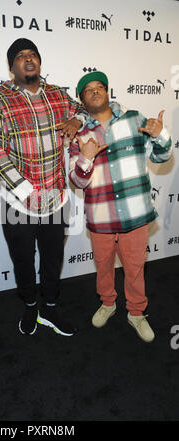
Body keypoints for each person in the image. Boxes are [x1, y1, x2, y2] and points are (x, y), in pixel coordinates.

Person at [0, 38, 86, 336]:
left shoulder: (58, 94)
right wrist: (25, 190)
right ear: (11, 65)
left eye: (33, 55)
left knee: (53, 259)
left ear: (39, 62)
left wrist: (77, 119)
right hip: (18, 201)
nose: (28, 59)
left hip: (56, 197)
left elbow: (86, 110)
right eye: (21, 56)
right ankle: (30, 306)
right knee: (23, 260)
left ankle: (50, 308)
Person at [69, 71, 172, 343]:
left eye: (99, 87)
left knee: (135, 268)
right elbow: (76, 180)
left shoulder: (135, 119)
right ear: (81, 99)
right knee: (103, 267)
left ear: (107, 91)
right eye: (88, 89)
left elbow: (161, 156)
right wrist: (86, 159)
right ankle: (108, 303)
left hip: (135, 215)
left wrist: (161, 135)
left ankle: (136, 313)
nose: (94, 91)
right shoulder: (77, 134)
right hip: (100, 217)